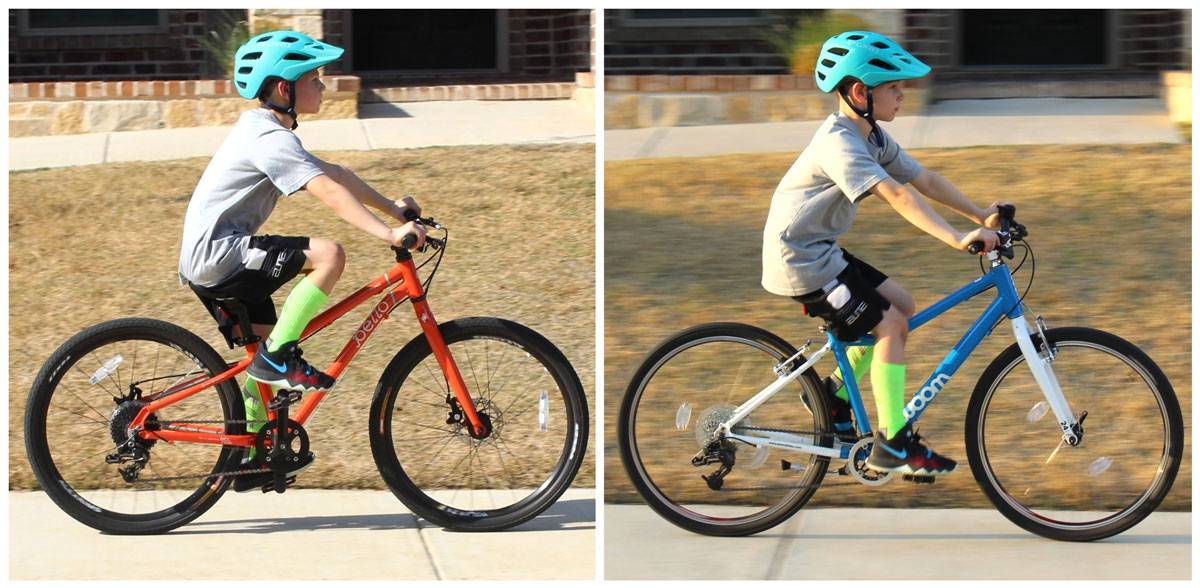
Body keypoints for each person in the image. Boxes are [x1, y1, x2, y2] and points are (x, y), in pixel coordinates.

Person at [178, 30, 426, 489]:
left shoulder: (270, 132)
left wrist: (396, 209)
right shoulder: (267, 138)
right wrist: (389, 234)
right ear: (282, 88)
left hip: (220, 254)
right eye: (314, 78)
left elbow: (336, 173)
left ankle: (249, 460)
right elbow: (328, 193)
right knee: (329, 254)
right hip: (219, 254)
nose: (324, 86)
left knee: (260, 364)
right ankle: (278, 358)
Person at [761, 31, 1006, 476]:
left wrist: (980, 213)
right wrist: (955, 238)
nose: (902, 96)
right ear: (860, 92)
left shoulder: (870, 135)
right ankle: (893, 442)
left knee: (903, 306)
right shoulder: (840, 143)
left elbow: (923, 179)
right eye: (894, 88)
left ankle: (833, 396)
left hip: (819, 252)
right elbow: (896, 195)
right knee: (889, 323)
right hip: (800, 261)